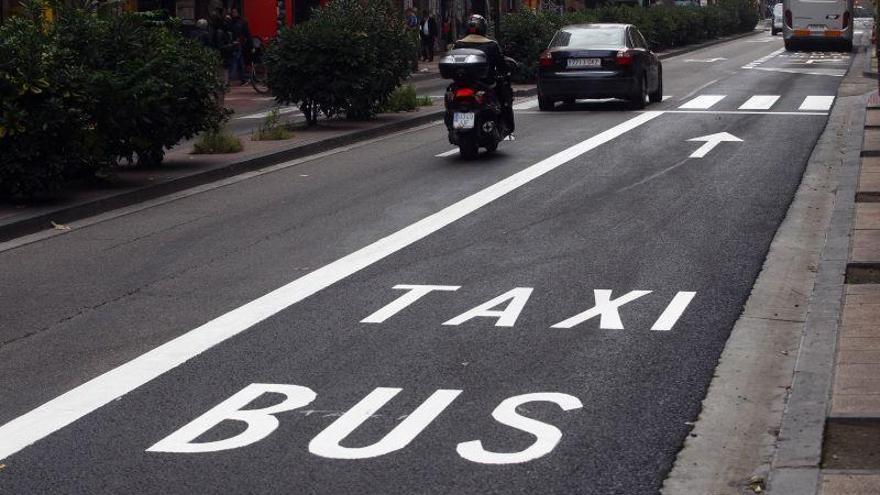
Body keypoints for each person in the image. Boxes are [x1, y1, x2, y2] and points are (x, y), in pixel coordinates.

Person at [453, 14, 514, 134]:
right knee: (503, 98)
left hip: (462, 83)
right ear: (484, 28)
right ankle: (505, 125)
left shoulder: (458, 44)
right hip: (485, 83)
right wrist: (507, 70)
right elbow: (501, 63)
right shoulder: (491, 45)